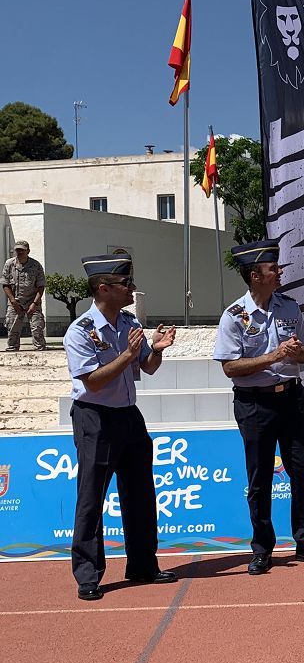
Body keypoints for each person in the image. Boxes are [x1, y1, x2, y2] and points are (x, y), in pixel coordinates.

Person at [213, 240, 304, 575]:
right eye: (272, 269)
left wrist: (296, 354)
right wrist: (274, 356)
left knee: (302, 472)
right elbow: (229, 367)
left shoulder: (289, 307)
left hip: (292, 398)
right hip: (255, 403)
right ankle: (263, 548)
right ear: (254, 275)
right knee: (260, 477)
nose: (278, 273)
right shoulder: (234, 316)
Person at [64, 252, 177, 601]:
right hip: (95, 417)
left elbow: (148, 366)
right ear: (104, 288)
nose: (132, 289)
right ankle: (88, 574)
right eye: (125, 284)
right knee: (91, 497)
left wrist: (156, 349)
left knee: (141, 493)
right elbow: (93, 382)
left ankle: (143, 564)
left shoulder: (128, 322)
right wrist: (127, 356)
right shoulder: (80, 331)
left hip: (129, 415)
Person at [3, 240, 46, 351]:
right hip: (15, 301)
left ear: (28, 251)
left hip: (32, 301)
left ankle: (40, 350)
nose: (20, 252)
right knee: (12, 327)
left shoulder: (36, 265)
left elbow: (41, 286)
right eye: (18, 250)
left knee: (37, 328)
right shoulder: (9, 264)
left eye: (22, 250)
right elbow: (5, 284)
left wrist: (35, 303)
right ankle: (13, 349)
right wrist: (13, 301)